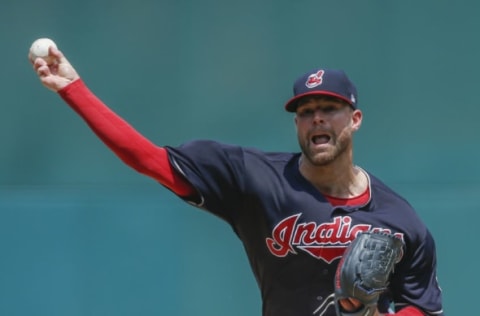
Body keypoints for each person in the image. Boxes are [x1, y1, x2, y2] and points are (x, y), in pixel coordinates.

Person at [30, 45, 444, 316]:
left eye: (329, 107)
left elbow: (422, 306)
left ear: (355, 119)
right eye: (305, 110)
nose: (316, 117)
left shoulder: (398, 219)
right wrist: (74, 90)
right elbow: (150, 160)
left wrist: (364, 312)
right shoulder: (253, 178)